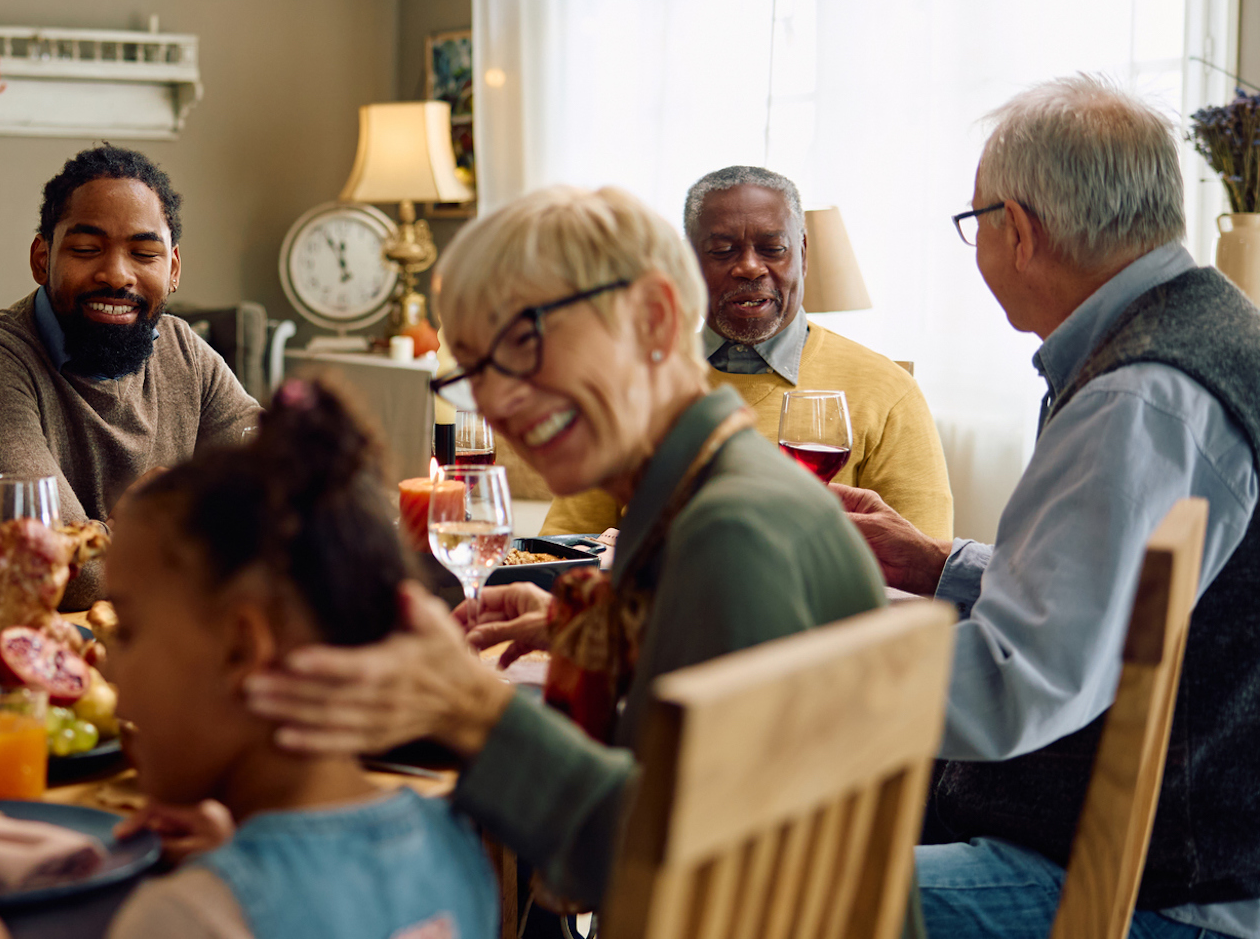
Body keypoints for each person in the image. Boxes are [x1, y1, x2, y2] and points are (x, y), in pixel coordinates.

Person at [242, 185, 886, 909]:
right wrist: (600, 622)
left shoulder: (731, 536)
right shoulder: (721, 490)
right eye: (474, 371)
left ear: (654, 317)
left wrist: (471, 711)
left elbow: (672, 882)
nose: (497, 401)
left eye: (523, 342)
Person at [828, 77, 1260, 938]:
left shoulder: (1137, 398)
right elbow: (1116, 601)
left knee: (736, 883)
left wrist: (785, 665)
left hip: (1158, 886)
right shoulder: (1213, 330)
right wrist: (941, 565)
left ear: (1016, 230)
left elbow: (1011, 689)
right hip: (1198, 845)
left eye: (973, 222)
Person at [0, 380, 498, 939]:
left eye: (127, 631)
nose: (105, 667)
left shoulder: (192, 915)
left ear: (242, 648)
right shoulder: (458, 844)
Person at [0, 145, 260, 608]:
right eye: (86, 249)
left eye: (143, 252)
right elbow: (65, 579)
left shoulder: (183, 350)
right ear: (42, 259)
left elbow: (285, 494)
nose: (116, 274)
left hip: (137, 644)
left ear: (172, 269)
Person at [542, 165, 953, 539]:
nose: (750, 268)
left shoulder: (888, 393)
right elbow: (562, 551)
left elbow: (921, 581)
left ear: (804, 255)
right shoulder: (628, 385)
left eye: (773, 249)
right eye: (722, 251)